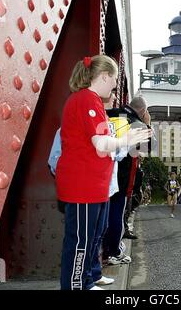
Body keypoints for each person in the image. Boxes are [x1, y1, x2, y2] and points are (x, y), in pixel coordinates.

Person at [56, 55, 150, 290]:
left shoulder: (89, 99)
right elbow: (100, 143)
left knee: (91, 238)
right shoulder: (87, 99)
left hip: (93, 184)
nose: (114, 85)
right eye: (114, 79)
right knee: (80, 241)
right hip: (83, 184)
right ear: (105, 76)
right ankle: (75, 285)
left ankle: (86, 281)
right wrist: (126, 139)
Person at [102, 96, 153, 265]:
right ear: (143, 111)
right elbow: (148, 147)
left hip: (102, 174)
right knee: (116, 213)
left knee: (103, 214)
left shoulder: (110, 113)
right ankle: (114, 252)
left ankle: (103, 249)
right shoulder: (136, 123)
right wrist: (147, 123)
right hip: (121, 178)